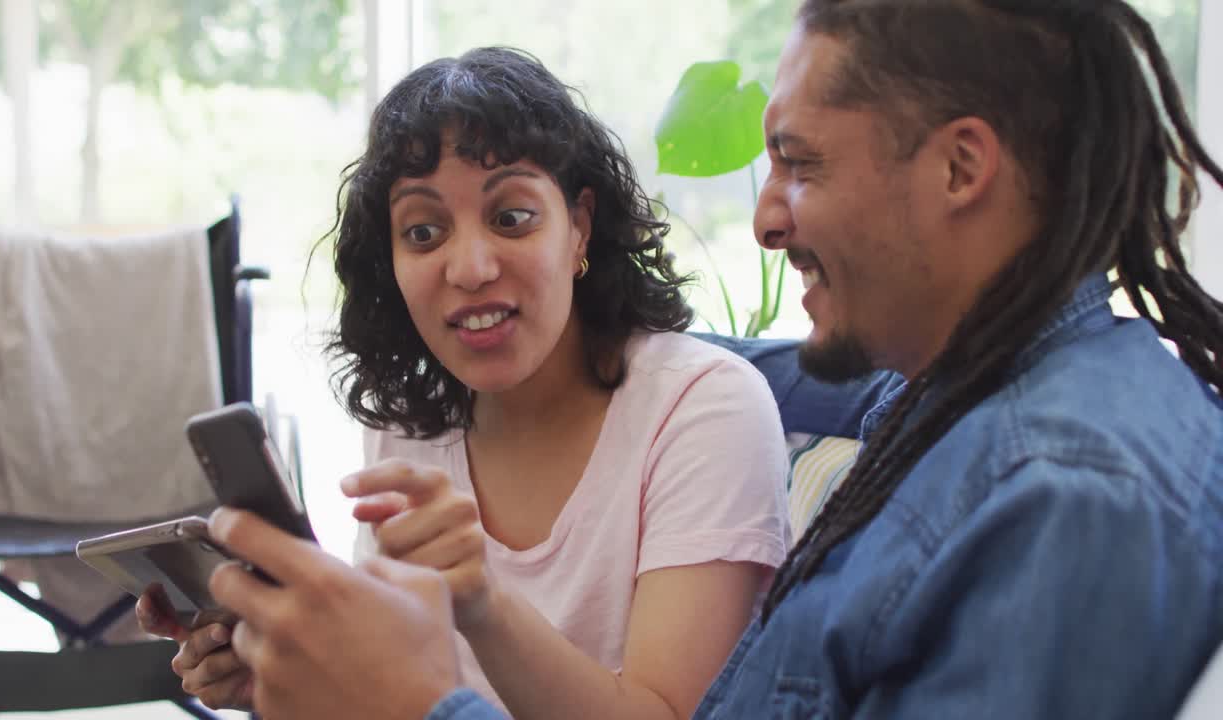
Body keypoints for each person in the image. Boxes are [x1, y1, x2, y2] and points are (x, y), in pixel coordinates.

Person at [198, 1, 1223, 718]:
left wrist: (419, 708)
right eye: (421, 234)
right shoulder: (958, 408)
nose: (765, 217)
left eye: (798, 163)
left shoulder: (1067, 496)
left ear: (960, 168)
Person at [139, 47, 799, 717]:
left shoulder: (704, 409)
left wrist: (484, 601)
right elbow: (404, 688)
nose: (471, 267)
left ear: (579, 228)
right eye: (423, 232)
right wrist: (293, 678)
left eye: (511, 218)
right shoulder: (407, 422)